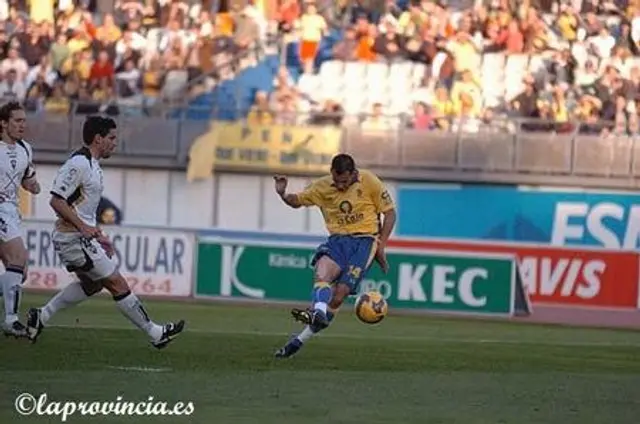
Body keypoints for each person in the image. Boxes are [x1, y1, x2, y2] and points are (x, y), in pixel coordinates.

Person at [25, 115, 185, 349]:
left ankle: (42, 315)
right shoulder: (79, 164)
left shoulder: (93, 165)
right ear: (98, 139)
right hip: (72, 238)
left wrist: (98, 236)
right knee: (117, 283)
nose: (114, 142)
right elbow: (56, 201)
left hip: (81, 238)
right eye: (111, 138)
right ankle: (155, 333)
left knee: (93, 285)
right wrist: (84, 228)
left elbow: (81, 208)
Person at [273, 153, 396, 358]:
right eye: (337, 181)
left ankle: (298, 341)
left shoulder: (370, 181)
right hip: (338, 240)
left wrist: (381, 246)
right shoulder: (321, 186)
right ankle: (318, 312)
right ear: (331, 173)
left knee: (339, 295)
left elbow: (390, 213)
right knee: (322, 273)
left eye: (345, 182)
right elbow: (297, 201)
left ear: (354, 174)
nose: (340, 186)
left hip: (365, 241)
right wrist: (283, 194)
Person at [0, 101, 41, 338]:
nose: (22, 125)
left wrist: (33, 186)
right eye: (17, 120)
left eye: (24, 120)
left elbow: (27, 179)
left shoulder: (26, 148)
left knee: (19, 272)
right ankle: (11, 320)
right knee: (18, 257)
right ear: (3, 123)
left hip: (11, 212)